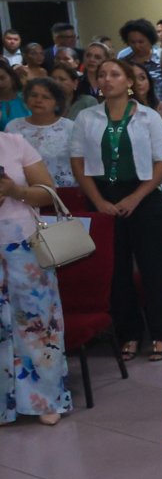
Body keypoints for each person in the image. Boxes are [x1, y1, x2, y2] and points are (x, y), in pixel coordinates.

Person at [71, 59, 162, 362]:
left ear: (129, 81)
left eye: (114, 74)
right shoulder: (87, 117)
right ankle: (128, 334)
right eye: (102, 75)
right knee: (116, 271)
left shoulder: (148, 116)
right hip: (102, 196)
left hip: (144, 195)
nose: (107, 79)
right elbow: (77, 161)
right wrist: (98, 201)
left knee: (153, 268)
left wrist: (135, 198)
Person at [0, 121, 71, 426]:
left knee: (37, 324)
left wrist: (15, 191)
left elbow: (48, 192)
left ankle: (45, 399)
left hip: (24, 246)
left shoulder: (15, 143)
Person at [8, 78, 77, 186]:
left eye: (46, 97)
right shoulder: (13, 127)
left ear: (57, 103)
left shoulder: (70, 127)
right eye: (34, 95)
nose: (38, 100)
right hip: (24, 191)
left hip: (63, 190)